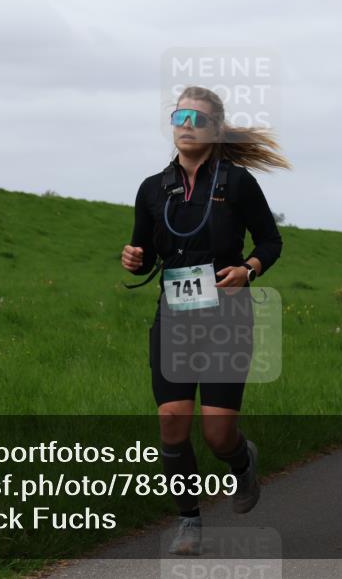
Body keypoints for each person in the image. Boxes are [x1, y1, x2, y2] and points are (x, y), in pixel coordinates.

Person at [121, 85, 289, 555]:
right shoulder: (153, 189)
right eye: (180, 116)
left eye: (197, 119)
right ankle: (188, 521)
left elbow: (271, 242)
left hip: (227, 316)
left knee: (217, 433)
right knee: (172, 424)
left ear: (214, 130)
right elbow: (143, 249)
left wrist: (248, 269)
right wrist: (133, 258)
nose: (186, 125)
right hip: (174, 316)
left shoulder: (236, 183)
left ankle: (242, 463)